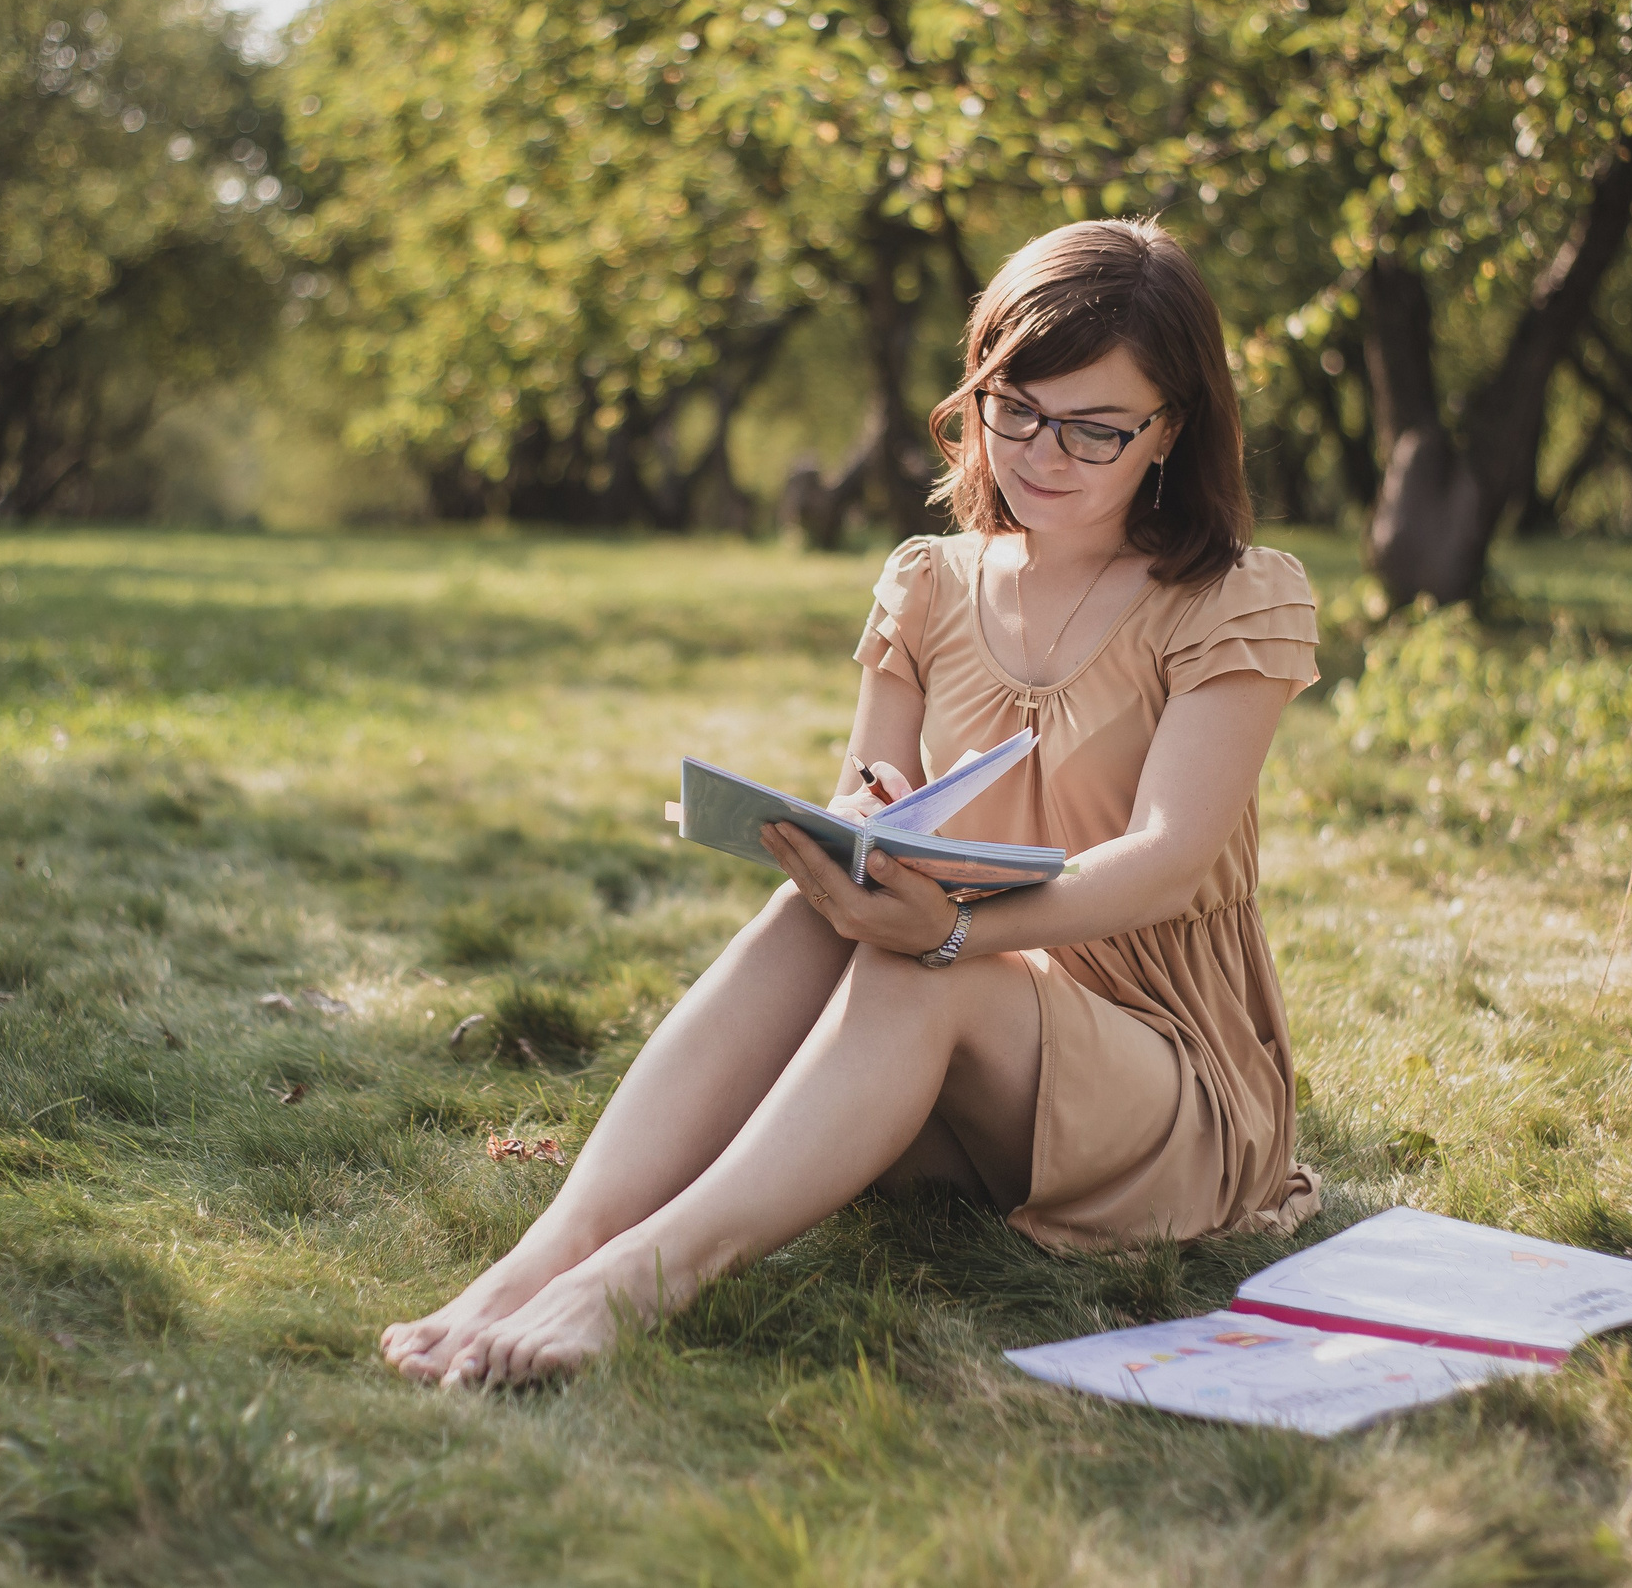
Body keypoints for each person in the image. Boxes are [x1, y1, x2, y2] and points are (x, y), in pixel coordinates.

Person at [382, 219, 1323, 1388]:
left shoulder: (1232, 598)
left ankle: (633, 1282)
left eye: (1095, 428)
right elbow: (861, 799)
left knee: (914, 967)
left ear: (1169, 431)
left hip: (1166, 1081)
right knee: (816, 917)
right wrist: (866, 826)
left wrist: (955, 930)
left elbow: (1169, 858)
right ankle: (551, 1253)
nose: (1043, 453)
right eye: (1015, 408)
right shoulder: (928, 582)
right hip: (953, 1069)